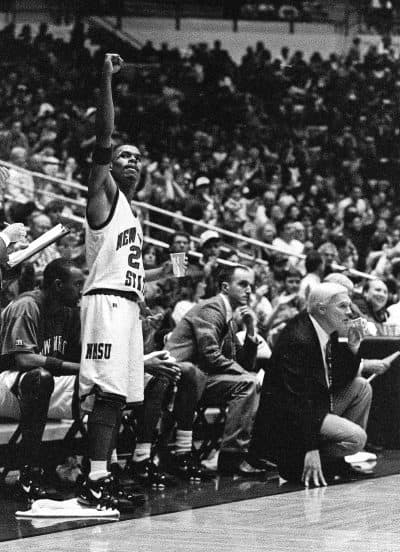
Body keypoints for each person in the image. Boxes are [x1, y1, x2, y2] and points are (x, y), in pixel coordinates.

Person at [78, 53, 183, 510]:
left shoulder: (132, 216)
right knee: (108, 393)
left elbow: (131, 271)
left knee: (122, 397)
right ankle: (94, 478)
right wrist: (105, 78)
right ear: (108, 164)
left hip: (126, 302)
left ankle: (108, 470)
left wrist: (169, 271)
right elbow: (105, 134)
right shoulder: (101, 195)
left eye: (137, 157)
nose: (131, 160)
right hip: (105, 303)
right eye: (124, 155)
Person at [250, 282, 373, 486]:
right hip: (286, 421)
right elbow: (295, 400)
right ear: (322, 309)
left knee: (361, 387)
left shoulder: (325, 328)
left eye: (349, 306)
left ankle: (335, 461)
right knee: (357, 439)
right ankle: (296, 460)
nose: (350, 312)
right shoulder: (299, 339)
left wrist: (353, 347)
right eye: (343, 306)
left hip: (314, 406)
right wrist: (311, 448)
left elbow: (340, 378)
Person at [165, 264, 269, 476]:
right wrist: (245, 375)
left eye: (251, 285)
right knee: (248, 383)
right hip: (179, 379)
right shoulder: (212, 309)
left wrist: (251, 329)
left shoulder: (229, 316)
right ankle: (231, 457)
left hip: (204, 378)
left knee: (257, 383)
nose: (249, 290)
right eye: (242, 284)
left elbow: (243, 363)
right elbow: (210, 355)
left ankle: (249, 453)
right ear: (225, 287)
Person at [0, 258, 83, 499]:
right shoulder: (27, 305)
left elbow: (76, 359)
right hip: (6, 383)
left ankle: (93, 469)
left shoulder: (70, 313)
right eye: (77, 284)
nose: (81, 290)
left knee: (99, 384)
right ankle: (27, 473)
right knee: (40, 378)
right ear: (58, 285)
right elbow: (23, 360)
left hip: (39, 385)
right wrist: (74, 366)